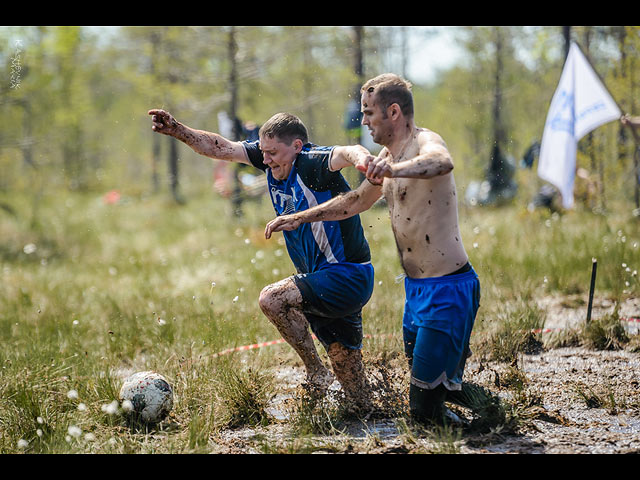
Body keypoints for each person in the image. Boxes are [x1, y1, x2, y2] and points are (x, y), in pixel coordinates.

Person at [264, 73, 481, 426]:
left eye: (368, 113)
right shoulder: (384, 156)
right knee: (439, 389)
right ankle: (471, 399)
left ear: (393, 112)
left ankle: (490, 416)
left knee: (424, 412)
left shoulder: (425, 143)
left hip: (450, 289)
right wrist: (301, 217)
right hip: (416, 292)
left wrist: (393, 169)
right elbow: (355, 202)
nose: (363, 121)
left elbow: (442, 163)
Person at [148, 109, 377, 411]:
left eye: (272, 153)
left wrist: (364, 159)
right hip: (320, 280)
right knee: (357, 396)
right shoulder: (268, 158)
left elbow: (346, 152)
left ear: (296, 146)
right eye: (262, 152)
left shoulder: (312, 163)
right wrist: (178, 130)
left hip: (347, 276)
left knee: (272, 299)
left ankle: (316, 373)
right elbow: (220, 147)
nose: (265, 160)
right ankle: (370, 407)